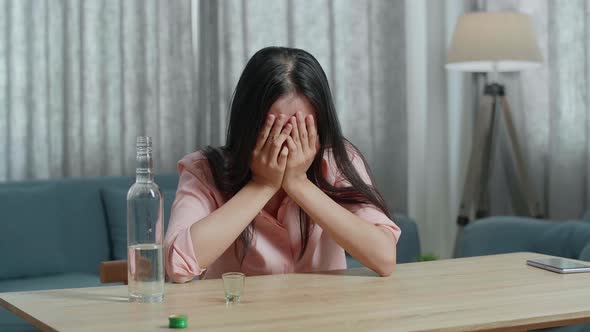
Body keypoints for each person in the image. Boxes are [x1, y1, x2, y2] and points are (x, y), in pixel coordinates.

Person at [164, 47, 401, 282]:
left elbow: (384, 257)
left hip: (323, 314)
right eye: (275, 130)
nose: (286, 144)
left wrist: (299, 184)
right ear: (249, 124)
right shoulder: (203, 169)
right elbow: (177, 265)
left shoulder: (338, 161)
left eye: (301, 130)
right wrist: (262, 185)